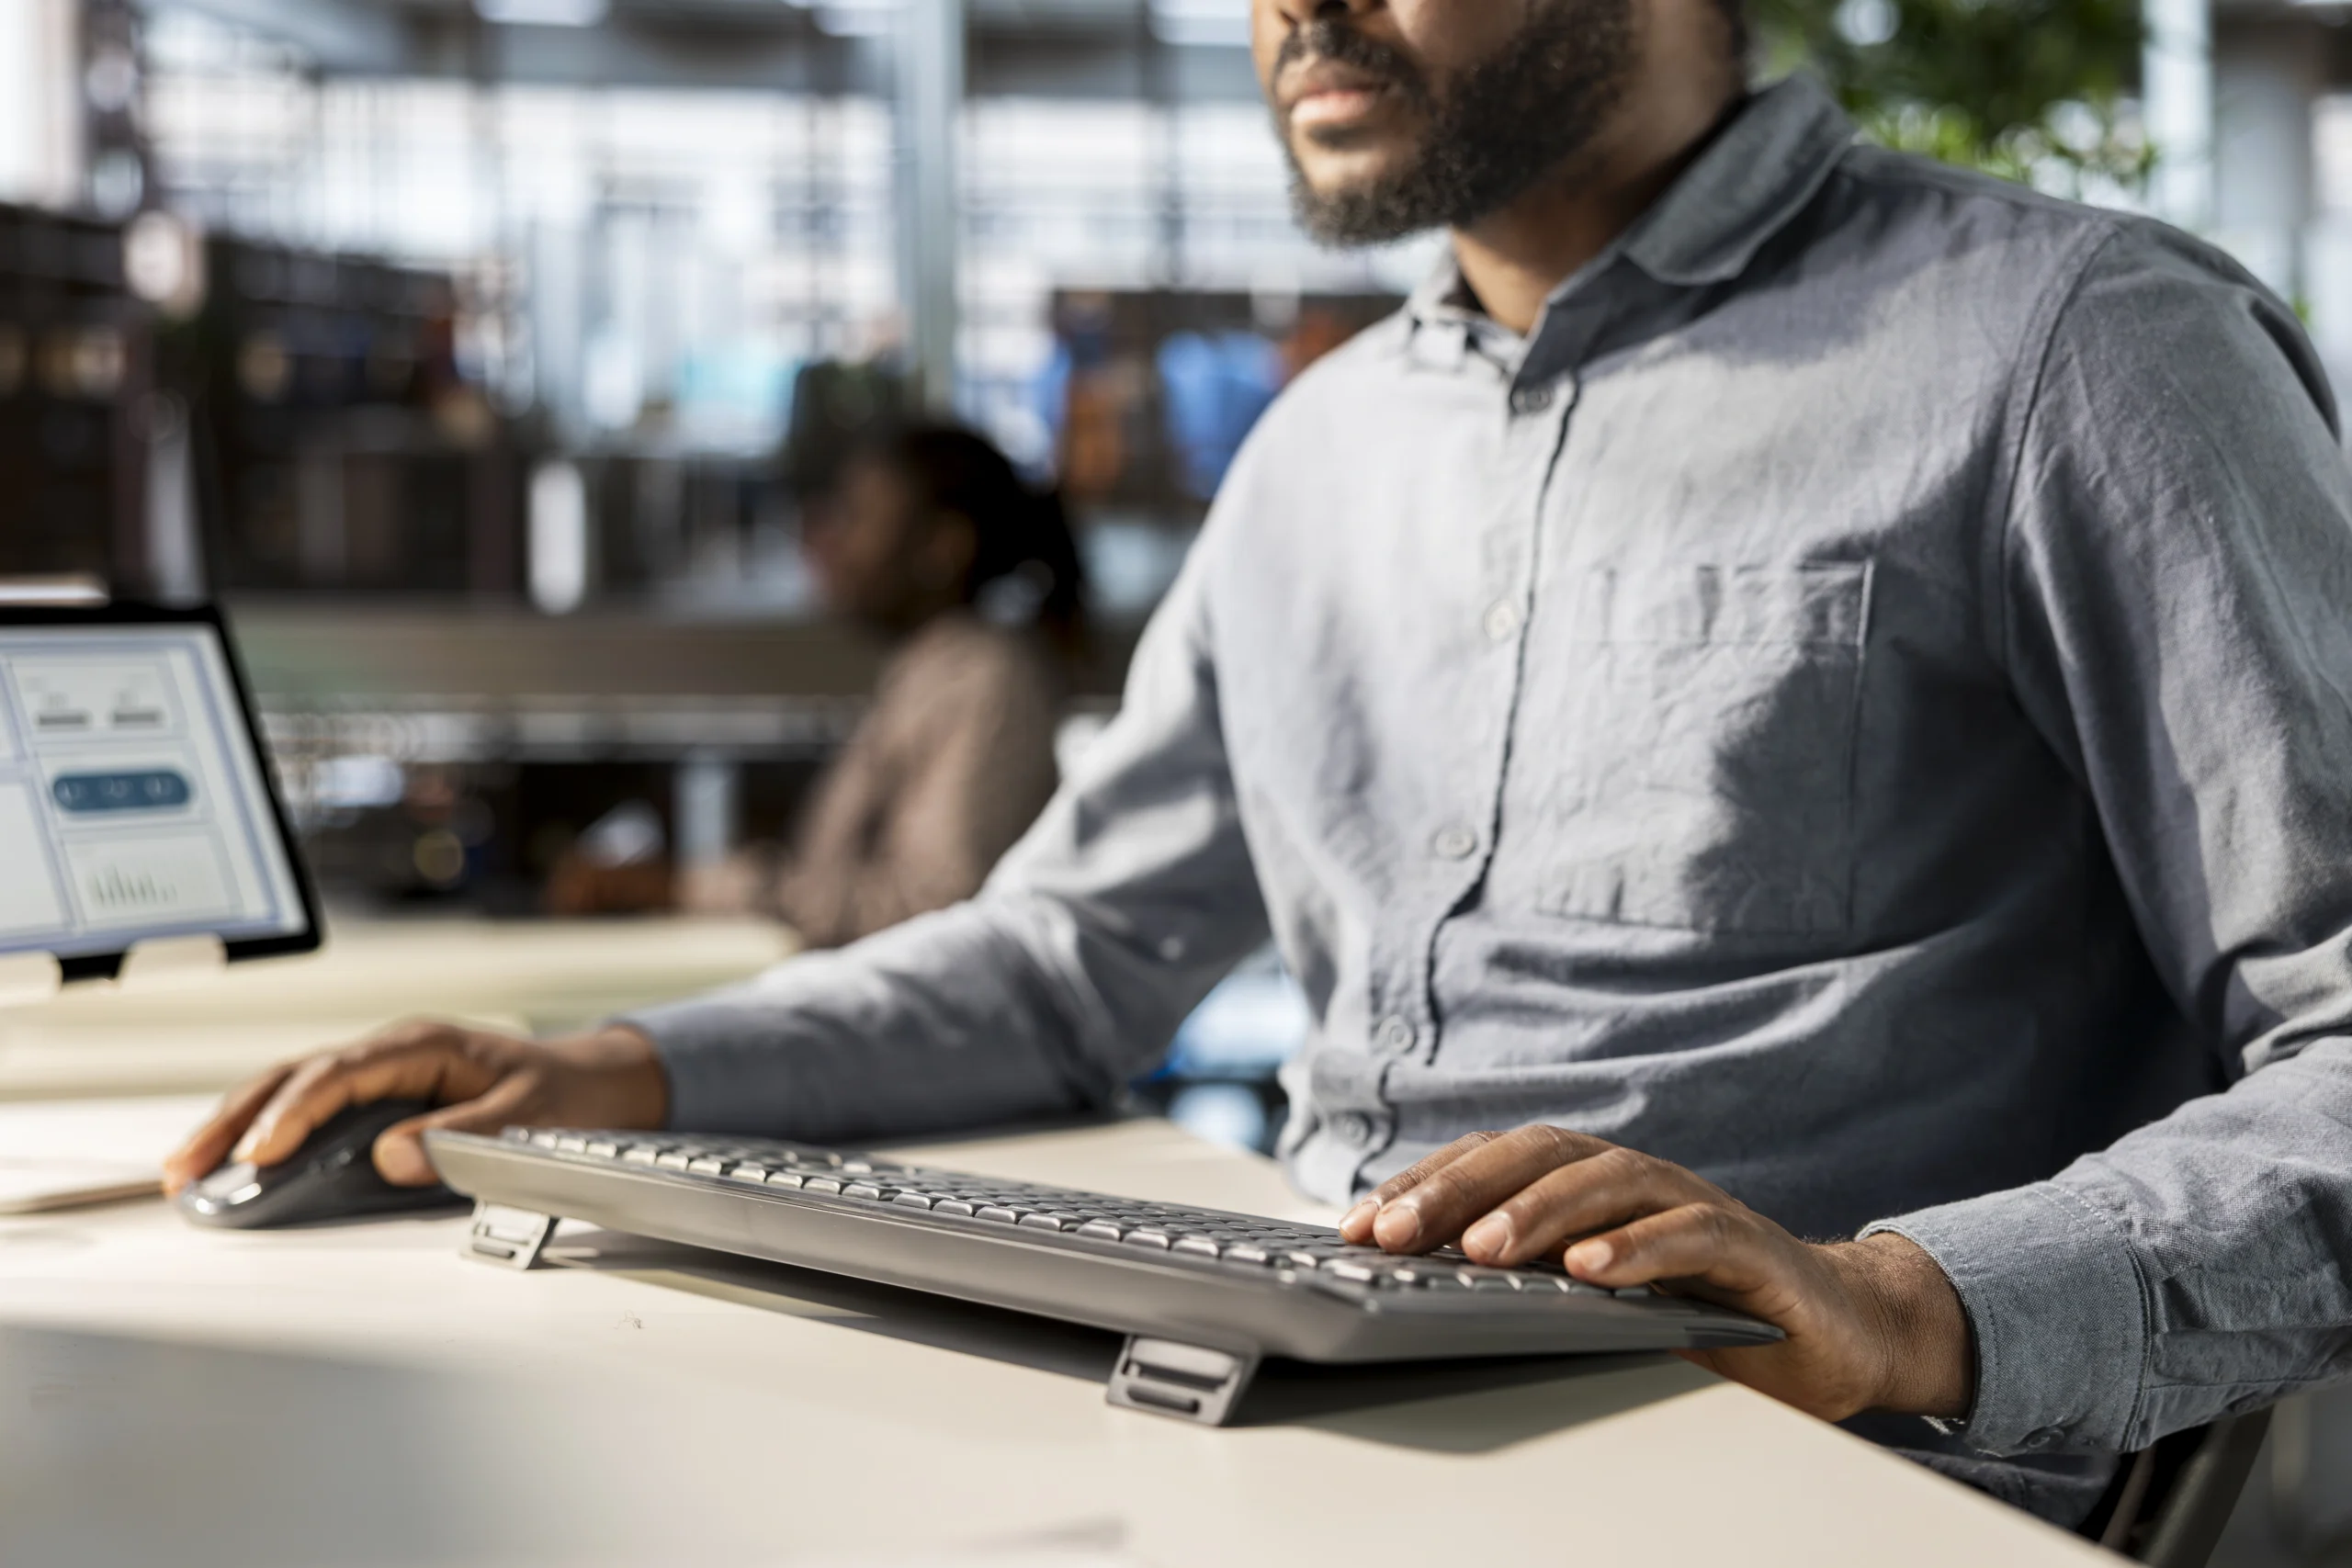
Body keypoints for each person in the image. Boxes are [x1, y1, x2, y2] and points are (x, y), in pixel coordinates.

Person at [165, 0, 2352, 1529]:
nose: (1289, 5)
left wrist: (1892, 1293)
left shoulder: (2079, 351)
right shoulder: (1318, 452)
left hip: (1813, 1466)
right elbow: (1063, 958)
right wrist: (611, 1072)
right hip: (1314, 1413)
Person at [548, 423, 1078, 943]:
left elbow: (932, 904)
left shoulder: (984, 680)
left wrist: (689, 889)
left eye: (858, 517)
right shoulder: (929, 670)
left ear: (945, 546)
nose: (831, 540)